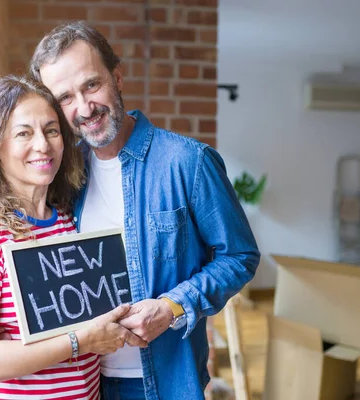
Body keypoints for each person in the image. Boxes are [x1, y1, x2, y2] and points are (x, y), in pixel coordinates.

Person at [29, 22, 260, 400]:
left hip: (168, 384)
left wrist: (172, 307)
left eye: (91, 85)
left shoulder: (189, 162)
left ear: (116, 77)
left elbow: (240, 255)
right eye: (65, 97)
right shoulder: (63, 177)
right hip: (84, 383)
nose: (84, 108)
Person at [0, 75, 148, 400]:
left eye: (51, 130)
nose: (43, 144)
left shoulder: (71, 220)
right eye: (23, 133)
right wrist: (80, 342)